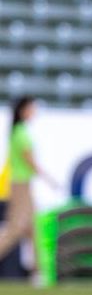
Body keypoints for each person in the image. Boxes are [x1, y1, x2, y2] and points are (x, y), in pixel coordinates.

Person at [0, 98, 48, 271]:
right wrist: (49, 179)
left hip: (23, 183)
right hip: (20, 184)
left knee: (33, 228)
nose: (34, 111)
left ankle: (39, 271)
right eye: (31, 108)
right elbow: (29, 160)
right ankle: (39, 271)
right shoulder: (20, 132)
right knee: (15, 229)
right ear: (23, 110)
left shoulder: (18, 131)